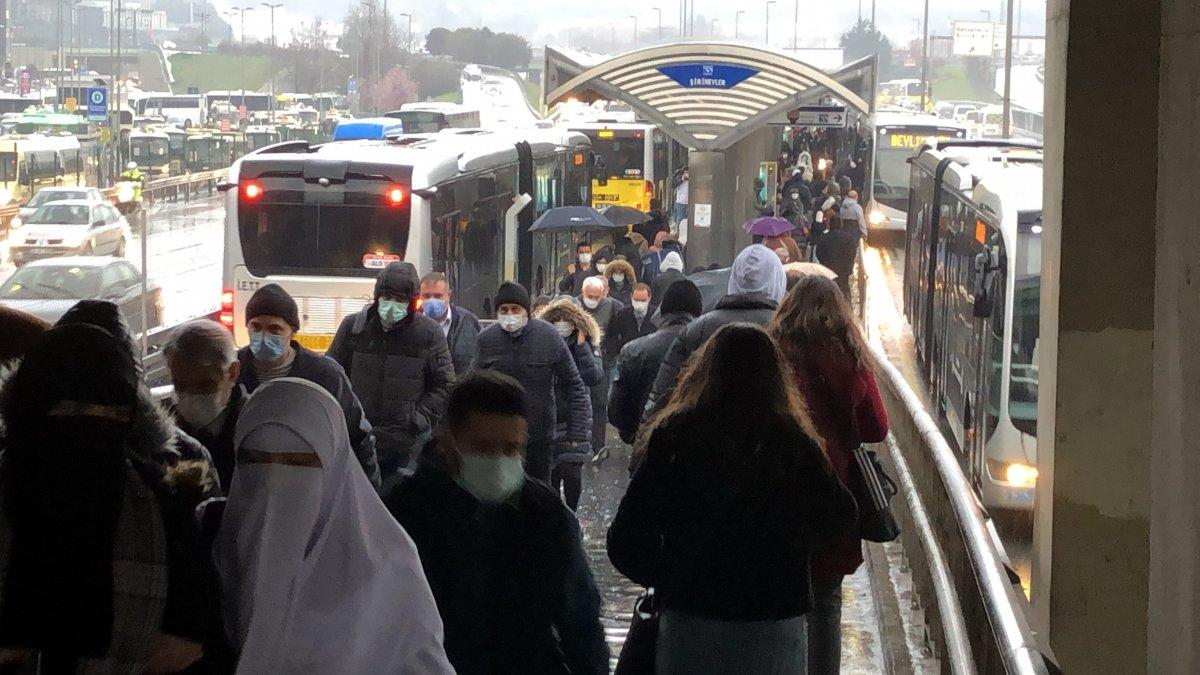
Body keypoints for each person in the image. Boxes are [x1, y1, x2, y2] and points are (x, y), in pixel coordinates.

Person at [608, 324, 857, 674]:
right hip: (775, 622)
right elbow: (841, 516)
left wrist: (671, 575)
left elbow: (624, 540)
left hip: (691, 621)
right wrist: (792, 560)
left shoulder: (676, 437)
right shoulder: (792, 442)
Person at [0, 324, 218, 673]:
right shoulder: (159, 502)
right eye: (67, 413)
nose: (86, 433)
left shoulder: (163, 502)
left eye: (111, 415)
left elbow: (187, 642)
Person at [214, 378, 454, 673]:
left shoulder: (390, 569)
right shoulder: (207, 555)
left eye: (298, 462)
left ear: (334, 465)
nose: (275, 481)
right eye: (255, 461)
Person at [385, 371, 609, 674]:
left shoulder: (544, 513)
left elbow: (581, 619)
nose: (500, 460)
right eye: (485, 448)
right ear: (447, 442)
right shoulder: (402, 512)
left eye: (512, 448)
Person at [770, 274, 889, 674]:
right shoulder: (850, 355)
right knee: (826, 599)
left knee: (781, 591)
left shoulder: (775, 353)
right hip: (834, 488)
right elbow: (876, 428)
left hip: (780, 484)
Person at [236, 283, 382, 487]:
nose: (264, 336)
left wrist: (368, 491)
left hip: (308, 485)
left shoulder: (323, 374)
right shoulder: (234, 371)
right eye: (256, 327)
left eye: (275, 329)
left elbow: (356, 433)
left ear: (292, 331)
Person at [327, 262, 456, 479]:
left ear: (411, 302)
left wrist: (416, 419)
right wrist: (345, 414)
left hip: (404, 444)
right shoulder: (354, 328)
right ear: (377, 298)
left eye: (400, 300)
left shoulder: (428, 333)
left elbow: (444, 384)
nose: (392, 305)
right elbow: (332, 373)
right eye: (387, 298)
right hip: (355, 438)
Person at [645, 244, 787, 418]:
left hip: (704, 437)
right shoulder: (788, 330)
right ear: (778, 279)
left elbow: (662, 397)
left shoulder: (700, 328)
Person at [475, 281, 591, 483]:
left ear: (526, 311)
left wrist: (576, 432)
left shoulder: (548, 336)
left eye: (515, 309)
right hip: (499, 438)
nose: (510, 313)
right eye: (504, 309)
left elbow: (574, 384)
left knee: (538, 493)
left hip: (540, 437)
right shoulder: (486, 340)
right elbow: (473, 387)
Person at [609, 279, 702, 448]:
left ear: (663, 309)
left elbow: (617, 412)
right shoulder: (709, 346)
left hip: (649, 445)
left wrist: (635, 434)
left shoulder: (634, 351)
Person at [534, 298, 604, 510]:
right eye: (558, 319)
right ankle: (556, 519)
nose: (562, 324)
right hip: (550, 416)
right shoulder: (544, 344)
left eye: (566, 319)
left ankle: (571, 513)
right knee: (552, 476)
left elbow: (594, 376)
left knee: (573, 474)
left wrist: (582, 347)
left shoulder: (588, 344)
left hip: (576, 418)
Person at [165, 318, 245, 490]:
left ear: (233, 372)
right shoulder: (161, 433)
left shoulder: (257, 429)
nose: (192, 396)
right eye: (181, 386)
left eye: (205, 386)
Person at [578, 275, 622, 459]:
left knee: (599, 403)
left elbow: (614, 334)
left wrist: (607, 355)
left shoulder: (612, 307)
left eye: (598, 297)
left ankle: (598, 445)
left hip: (600, 360)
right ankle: (579, 441)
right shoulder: (573, 305)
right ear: (582, 293)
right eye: (591, 296)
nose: (594, 300)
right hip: (578, 359)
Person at [419, 271, 481, 375]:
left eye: (438, 296)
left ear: (449, 295)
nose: (432, 301)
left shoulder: (468, 321)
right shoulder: (412, 323)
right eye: (426, 296)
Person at [815, 215, 862, 298]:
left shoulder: (824, 238)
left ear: (829, 225)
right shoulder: (847, 237)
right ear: (840, 224)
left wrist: (824, 263)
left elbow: (819, 252)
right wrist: (849, 265)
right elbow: (852, 252)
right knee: (844, 289)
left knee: (829, 290)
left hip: (828, 269)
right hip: (844, 270)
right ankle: (847, 307)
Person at [611, 283, 656, 358]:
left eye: (643, 300)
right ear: (631, 297)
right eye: (636, 300)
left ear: (649, 298)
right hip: (626, 357)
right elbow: (612, 336)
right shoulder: (622, 314)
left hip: (650, 358)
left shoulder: (657, 315)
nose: (639, 303)